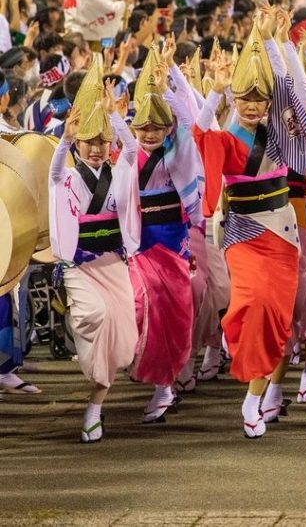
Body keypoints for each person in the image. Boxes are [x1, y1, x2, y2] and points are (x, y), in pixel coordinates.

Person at [193, 9, 306, 438]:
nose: (252, 106)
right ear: (235, 98)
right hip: (244, 232)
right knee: (252, 303)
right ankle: (242, 357)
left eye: (259, 99)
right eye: (244, 98)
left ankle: (255, 397)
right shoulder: (225, 135)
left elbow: (295, 97)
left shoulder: (282, 133)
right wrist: (213, 93)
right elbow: (198, 133)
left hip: (283, 231)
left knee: (275, 314)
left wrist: (273, 43)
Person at [49, 60, 141, 443]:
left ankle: (95, 407)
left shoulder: (118, 169)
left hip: (112, 262)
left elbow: (133, 150)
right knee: (96, 315)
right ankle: (78, 337)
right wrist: (66, 142)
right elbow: (54, 176)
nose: (98, 149)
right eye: (91, 142)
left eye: (103, 142)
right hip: (81, 264)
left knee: (124, 334)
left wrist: (116, 119)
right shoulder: (70, 174)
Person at [126, 42, 204, 423]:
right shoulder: (126, 150)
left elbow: (190, 118)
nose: (150, 133)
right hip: (139, 240)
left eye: (158, 127)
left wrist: (171, 74)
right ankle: (149, 370)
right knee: (142, 304)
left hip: (173, 237)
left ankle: (165, 384)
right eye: (143, 128)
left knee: (176, 311)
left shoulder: (177, 148)